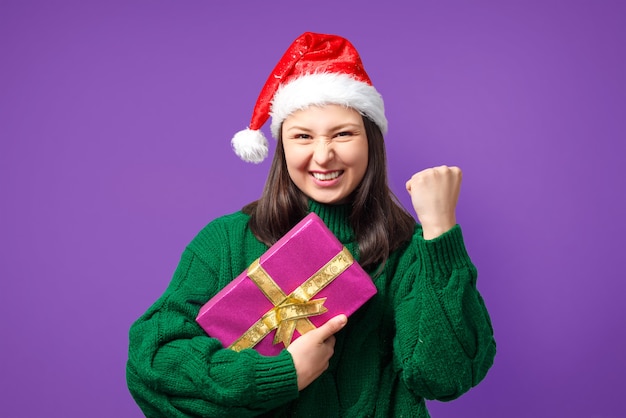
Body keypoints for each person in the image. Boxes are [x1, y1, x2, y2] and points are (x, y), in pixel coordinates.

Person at [126, 32, 496, 417]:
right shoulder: (226, 241)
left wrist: (439, 232)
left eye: (343, 134)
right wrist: (280, 374)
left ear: (370, 141)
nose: (323, 155)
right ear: (282, 147)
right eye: (303, 136)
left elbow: (446, 377)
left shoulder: (410, 250)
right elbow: (151, 365)